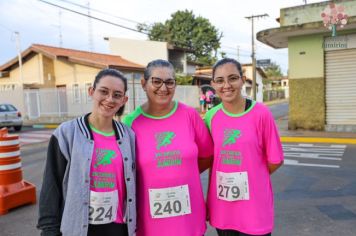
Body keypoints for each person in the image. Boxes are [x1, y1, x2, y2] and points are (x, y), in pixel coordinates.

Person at [37, 69, 137, 236]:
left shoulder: (128, 136)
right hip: (78, 228)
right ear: (91, 91)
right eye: (103, 91)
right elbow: (51, 186)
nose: (109, 99)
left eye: (117, 95)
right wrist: (49, 230)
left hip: (118, 228)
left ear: (124, 100)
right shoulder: (67, 133)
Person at [123, 59, 213, 236]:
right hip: (150, 222)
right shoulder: (130, 123)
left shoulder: (190, 115)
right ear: (144, 83)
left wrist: (183, 173)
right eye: (156, 81)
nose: (163, 88)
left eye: (169, 82)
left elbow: (207, 155)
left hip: (190, 218)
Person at [205, 58, 284, 236]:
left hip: (254, 208)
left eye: (233, 78)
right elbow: (213, 162)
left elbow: (275, 160)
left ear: (242, 79)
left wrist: (253, 173)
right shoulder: (211, 117)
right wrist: (210, 198)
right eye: (220, 80)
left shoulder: (261, 114)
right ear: (213, 85)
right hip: (222, 207)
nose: (227, 85)